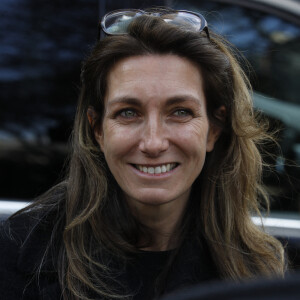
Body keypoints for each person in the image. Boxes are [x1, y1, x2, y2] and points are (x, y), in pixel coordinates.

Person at [0, 7, 285, 300]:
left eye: (180, 112)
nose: (153, 143)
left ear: (213, 129)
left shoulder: (258, 271)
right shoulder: (19, 256)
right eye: (128, 113)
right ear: (97, 129)